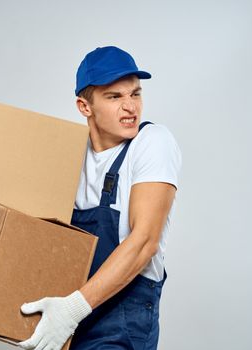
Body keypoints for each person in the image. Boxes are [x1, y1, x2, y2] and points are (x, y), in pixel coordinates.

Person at [19, 46, 182, 350]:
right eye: (114, 97)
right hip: (68, 309)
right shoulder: (69, 156)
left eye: (135, 94)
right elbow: (36, 239)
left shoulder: (152, 142)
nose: (131, 107)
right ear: (84, 106)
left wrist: (71, 311)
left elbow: (145, 241)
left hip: (121, 318)